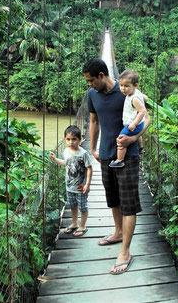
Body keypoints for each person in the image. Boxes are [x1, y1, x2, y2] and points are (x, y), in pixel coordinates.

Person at [83, 58, 150, 274]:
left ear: (102, 76)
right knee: (112, 197)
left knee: (128, 202)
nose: (89, 84)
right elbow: (93, 121)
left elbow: (146, 118)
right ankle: (118, 232)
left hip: (128, 155)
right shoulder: (92, 94)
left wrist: (134, 139)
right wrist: (93, 148)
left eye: (91, 80)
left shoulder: (126, 90)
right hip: (105, 155)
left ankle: (125, 250)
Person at [50, 125, 92, 237]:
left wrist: (87, 184)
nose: (71, 142)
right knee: (73, 205)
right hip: (69, 186)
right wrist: (55, 159)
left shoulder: (83, 153)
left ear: (80, 139)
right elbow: (66, 163)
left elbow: (89, 168)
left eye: (74, 139)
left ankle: (83, 226)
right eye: (68, 139)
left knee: (83, 206)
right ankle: (74, 223)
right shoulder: (66, 151)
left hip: (81, 187)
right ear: (65, 139)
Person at [109, 70, 147, 168]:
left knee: (121, 140)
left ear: (135, 85)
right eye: (121, 85)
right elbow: (146, 98)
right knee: (137, 136)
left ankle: (120, 160)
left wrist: (134, 124)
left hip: (134, 124)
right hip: (139, 124)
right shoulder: (136, 92)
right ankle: (140, 147)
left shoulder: (134, 99)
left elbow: (142, 111)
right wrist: (143, 98)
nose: (123, 89)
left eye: (126, 86)